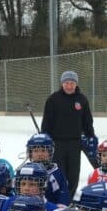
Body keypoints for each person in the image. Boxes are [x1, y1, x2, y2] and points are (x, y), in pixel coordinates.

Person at [41, 70, 96, 198]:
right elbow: (46, 121)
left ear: (76, 84)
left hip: (75, 143)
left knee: (73, 174)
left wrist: (90, 136)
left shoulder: (81, 99)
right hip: (57, 143)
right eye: (66, 83)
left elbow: (87, 120)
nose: (69, 85)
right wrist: (45, 138)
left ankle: (69, 198)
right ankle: (59, 197)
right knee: (59, 172)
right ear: (62, 83)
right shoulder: (53, 99)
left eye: (72, 83)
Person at [25, 132, 70, 205]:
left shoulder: (57, 173)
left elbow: (63, 197)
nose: (40, 154)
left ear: (50, 152)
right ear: (30, 153)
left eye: (43, 150)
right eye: (36, 151)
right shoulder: (24, 172)